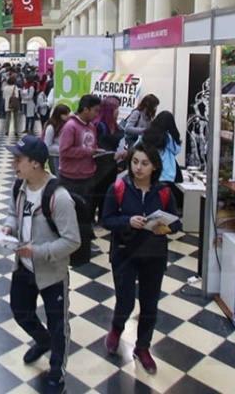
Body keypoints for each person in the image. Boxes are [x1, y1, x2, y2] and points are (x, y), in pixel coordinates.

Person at [3, 136, 80, 394]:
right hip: (24, 266)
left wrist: (37, 251)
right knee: (20, 311)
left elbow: (72, 241)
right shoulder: (20, 186)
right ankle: (42, 340)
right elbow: (13, 214)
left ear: (35, 163)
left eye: (18, 160)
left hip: (52, 272)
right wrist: (9, 227)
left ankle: (57, 371)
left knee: (58, 325)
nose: (13, 164)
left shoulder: (59, 197)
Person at [101, 143, 181, 374]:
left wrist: (165, 228)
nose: (138, 168)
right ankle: (116, 329)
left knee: (149, 303)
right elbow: (106, 220)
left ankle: (143, 347)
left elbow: (176, 223)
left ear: (154, 166)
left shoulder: (164, 192)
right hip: (124, 253)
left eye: (144, 163)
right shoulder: (118, 187)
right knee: (125, 301)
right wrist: (128, 221)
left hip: (154, 254)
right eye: (135, 162)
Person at [58, 94, 103, 256]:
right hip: (71, 178)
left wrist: (97, 153)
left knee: (86, 213)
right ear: (85, 109)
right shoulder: (70, 126)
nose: (96, 114)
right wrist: (86, 152)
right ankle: (69, 244)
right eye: (95, 110)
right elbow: (64, 151)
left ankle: (85, 242)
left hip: (88, 175)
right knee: (72, 213)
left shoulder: (91, 127)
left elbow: (92, 147)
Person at [93, 96, 127, 224]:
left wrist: (123, 151)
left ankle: (104, 216)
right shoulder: (100, 126)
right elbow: (98, 146)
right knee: (98, 192)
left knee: (107, 191)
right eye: (116, 108)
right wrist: (111, 154)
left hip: (112, 165)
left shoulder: (115, 125)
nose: (118, 111)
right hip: (101, 166)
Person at [139, 111, 183, 193]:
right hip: (166, 174)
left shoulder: (146, 135)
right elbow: (177, 150)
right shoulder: (167, 138)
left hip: (149, 171)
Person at [43, 104, 71, 176]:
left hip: (64, 157)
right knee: (58, 176)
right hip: (54, 156)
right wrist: (63, 149)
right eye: (65, 114)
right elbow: (48, 145)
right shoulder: (51, 127)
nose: (68, 116)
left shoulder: (67, 125)